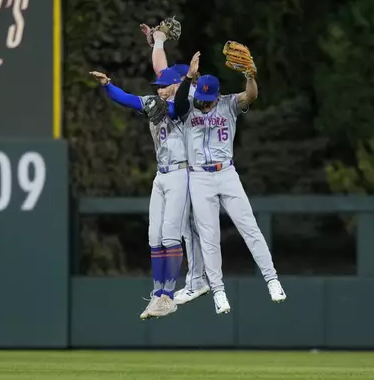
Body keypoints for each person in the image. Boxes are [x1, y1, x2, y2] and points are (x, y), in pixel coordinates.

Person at [173, 52, 287, 314]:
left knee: (250, 227)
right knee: (209, 238)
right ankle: (218, 292)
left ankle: (272, 280)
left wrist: (250, 75)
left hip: (226, 173)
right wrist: (189, 77)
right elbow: (179, 103)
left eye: (206, 99)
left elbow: (251, 96)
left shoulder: (228, 103)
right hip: (199, 176)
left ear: (216, 94)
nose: (202, 103)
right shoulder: (188, 104)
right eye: (199, 97)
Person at [89, 67, 189, 319]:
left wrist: (172, 98)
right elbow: (127, 99)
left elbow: (178, 109)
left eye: (165, 85)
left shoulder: (185, 103)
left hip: (181, 172)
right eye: (159, 86)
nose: (160, 89)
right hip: (162, 174)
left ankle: (169, 294)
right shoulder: (154, 101)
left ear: (177, 85)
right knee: (154, 235)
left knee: (170, 235)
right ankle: (157, 295)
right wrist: (107, 84)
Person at [139, 25, 210, 305]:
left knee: (188, 229)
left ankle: (196, 281)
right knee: (182, 229)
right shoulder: (171, 89)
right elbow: (161, 70)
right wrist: (158, 41)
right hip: (179, 168)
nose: (163, 84)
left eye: (175, 80)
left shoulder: (188, 98)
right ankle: (187, 283)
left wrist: (189, 76)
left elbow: (177, 93)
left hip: (197, 168)